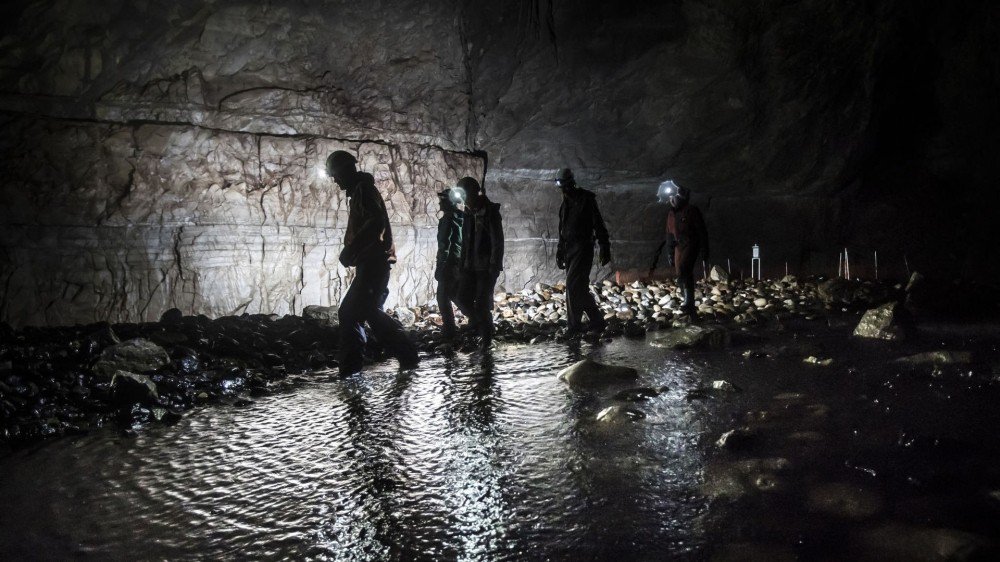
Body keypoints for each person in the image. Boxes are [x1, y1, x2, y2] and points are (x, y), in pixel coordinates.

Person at [326, 150, 418, 376]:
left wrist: (351, 248)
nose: (334, 180)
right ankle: (406, 357)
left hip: (374, 262)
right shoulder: (360, 190)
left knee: (351, 313)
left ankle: (351, 372)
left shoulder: (363, 190)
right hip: (372, 263)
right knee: (367, 313)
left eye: (335, 175)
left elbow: (375, 222)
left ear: (345, 171)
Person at [554, 168, 611, 337]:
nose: (563, 189)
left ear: (571, 183)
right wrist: (559, 251)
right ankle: (597, 320)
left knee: (572, 286)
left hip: (583, 248)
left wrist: (604, 246)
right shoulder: (565, 204)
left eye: (565, 185)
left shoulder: (586, 199)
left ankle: (574, 325)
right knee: (580, 288)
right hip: (570, 249)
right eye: (561, 186)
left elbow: (598, 223)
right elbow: (562, 229)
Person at [456, 176, 504, 351]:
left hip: (485, 266)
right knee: (461, 297)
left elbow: (497, 240)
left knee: (482, 304)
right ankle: (482, 325)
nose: (464, 201)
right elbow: (465, 242)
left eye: (465, 196)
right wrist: (462, 265)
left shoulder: (490, 212)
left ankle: (486, 343)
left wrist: (494, 266)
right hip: (470, 266)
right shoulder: (468, 213)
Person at [650, 181, 709, 320]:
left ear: (681, 197)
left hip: (691, 243)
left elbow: (702, 231)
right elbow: (669, 234)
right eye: (670, 198)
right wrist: (670, 252)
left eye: (674, 197)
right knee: (679, 274)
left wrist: (705, 250)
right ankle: (686, 300)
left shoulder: (691, 210)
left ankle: (689, 303)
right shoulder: (671, 214)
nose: (672, 200)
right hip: (679, 245)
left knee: (684, 269)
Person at [435, 186, 465, 339]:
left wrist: (440, 266)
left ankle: (449, 329)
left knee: (442, 295)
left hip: (449, 263)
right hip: (460, 262)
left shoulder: (447, 219)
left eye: (442, 200)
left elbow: (444, 245)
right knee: (454, 294)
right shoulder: (463, 217)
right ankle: (477, 319)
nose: (439, 203)